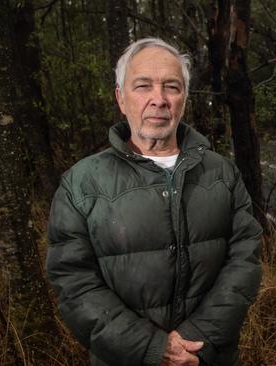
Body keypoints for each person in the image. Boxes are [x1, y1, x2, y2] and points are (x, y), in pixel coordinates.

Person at [46, 37, 263, 366]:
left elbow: (245, 262)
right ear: (121, 98)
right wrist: (152, 347)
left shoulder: (222, 174)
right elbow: (73, 283)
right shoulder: (81, 183)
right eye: (143, 86)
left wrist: (196, 342)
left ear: (184, 100)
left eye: (171, 87)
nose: (158, 100)